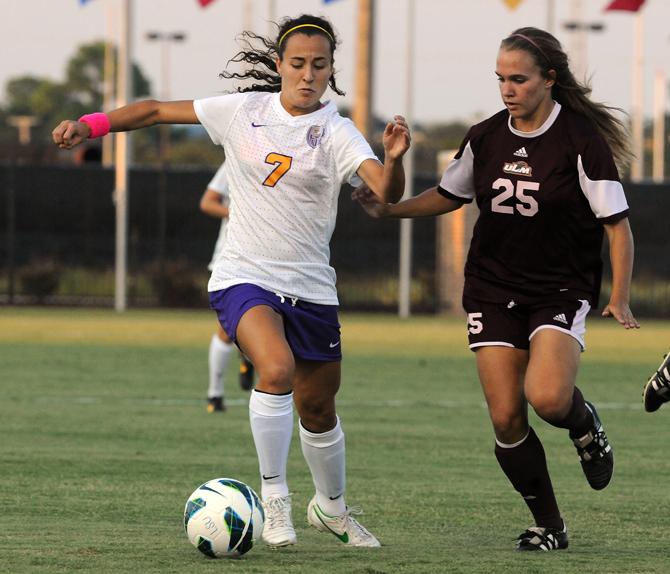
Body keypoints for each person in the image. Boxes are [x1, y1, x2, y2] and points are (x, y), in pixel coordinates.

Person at [53, 14, 410, 548]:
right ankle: (275, 500)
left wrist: (396, 159)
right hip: (244, 274)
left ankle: (331, 508)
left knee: (319, 407)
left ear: (332, 70)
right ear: (278, 66)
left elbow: (387, 192)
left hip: (312, 287)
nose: (307, 74)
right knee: (274, 368)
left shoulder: (337, 130)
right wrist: (93, 124)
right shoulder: (243, 111)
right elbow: (154, 110)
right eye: (297, 64)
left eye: (319, 65)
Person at [353, 26, 639, 551]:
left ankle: (584, 423)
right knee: (508, 419)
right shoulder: (484, 137)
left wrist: (617, 295)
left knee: (549, 398)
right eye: (501, 79)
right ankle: (550, 526)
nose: (508, 89)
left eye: (520, 79)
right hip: (491, 287)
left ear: (550, 80)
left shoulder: (580, 141)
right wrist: (390, 208)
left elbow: (617, 226)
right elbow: (448, 195)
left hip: (558, 289)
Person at [199, 162, 255, 413]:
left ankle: (264, 393)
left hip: (270, 257)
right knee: (226, 327)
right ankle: (215, 394)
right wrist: (236, 212)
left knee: (274, 325)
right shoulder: (235, 157)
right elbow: (207, 202)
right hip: (231, 255)